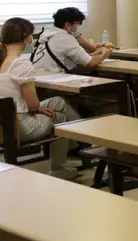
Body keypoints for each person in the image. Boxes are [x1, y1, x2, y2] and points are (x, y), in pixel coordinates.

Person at [0, 17, 81, 179]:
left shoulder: (3, 61)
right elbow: (32, 104)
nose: (33, 37)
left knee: (58, 101)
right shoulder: (21, 64)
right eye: (31, 34)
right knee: (61, 118)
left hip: (4, 123)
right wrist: (39, 108)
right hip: (21, 126)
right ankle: (61, 165)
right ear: (25, 36)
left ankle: (78, 141)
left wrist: (38, 108)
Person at [32, 7, 111, 72]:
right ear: (67, 24)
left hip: (39, 77)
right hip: (54, 80)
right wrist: (104, 53)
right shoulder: (65, 38)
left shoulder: (47, 34)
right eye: (77, 24)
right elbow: (91, 63)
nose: (78, 27)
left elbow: (77, 58)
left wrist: (95, 54)